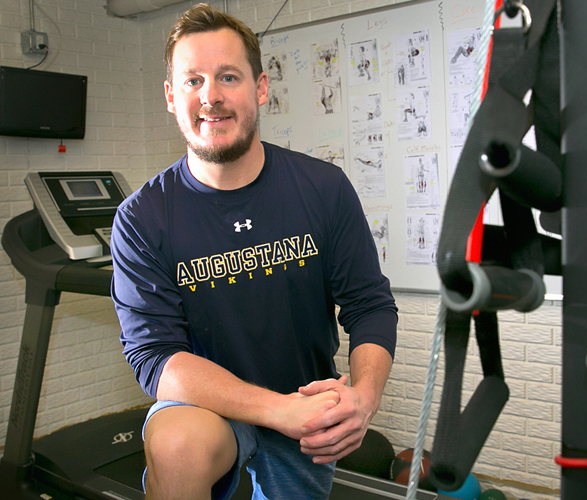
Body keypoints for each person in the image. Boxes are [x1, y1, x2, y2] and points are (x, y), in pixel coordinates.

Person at [110, 4, 397, 500]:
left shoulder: (323, 188)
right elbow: (155, 356)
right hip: (208, 408)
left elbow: (370, 305)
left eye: (228, 77)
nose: (211, 97)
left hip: (306, 403)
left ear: (260, 87)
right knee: (178, 446)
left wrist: (364, 399)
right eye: (193, 80)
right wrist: (273, 409)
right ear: (171, 96)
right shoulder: (142, 218)